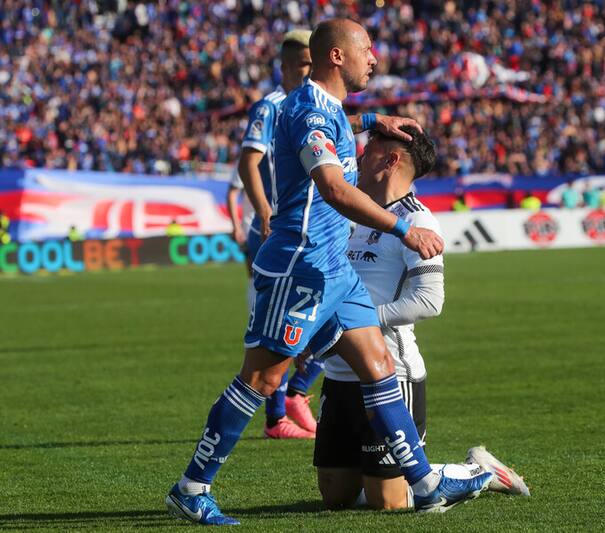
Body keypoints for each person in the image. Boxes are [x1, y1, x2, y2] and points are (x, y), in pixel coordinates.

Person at [165, 19, 491, 526]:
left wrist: (377, 119)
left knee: (378, 364)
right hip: (301, 267)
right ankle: (192, 487)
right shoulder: (309, 110)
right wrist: (403, 228)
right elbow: (335, 189)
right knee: (262, 378)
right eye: (367, 49)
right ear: (337, 56)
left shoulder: (327, 108)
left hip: (334, 269)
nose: (375, 58)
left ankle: (425, 484)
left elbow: (334, 123)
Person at [314, 126, 529, 510]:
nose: (359, 156)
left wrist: (359, 323)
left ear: (391, 159)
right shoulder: (355, 212)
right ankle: (405, 476)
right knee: (335, 494)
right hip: (339, 371)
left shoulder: (418, 221)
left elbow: (429, 301)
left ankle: (477, 470)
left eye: (369, 149)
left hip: (390, 371)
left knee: (389, 501)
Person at [235, 29, 324, 440]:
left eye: (313, 64)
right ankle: (277, 415)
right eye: (303, 64)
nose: (309, 72)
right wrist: (264, 211)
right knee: (281, 324)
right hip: (275, 228)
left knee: (322, 317)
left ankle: (294, 395)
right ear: (286, 67)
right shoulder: (270, 106)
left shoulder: (311, 104)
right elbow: (247, 163)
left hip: (306, 227)